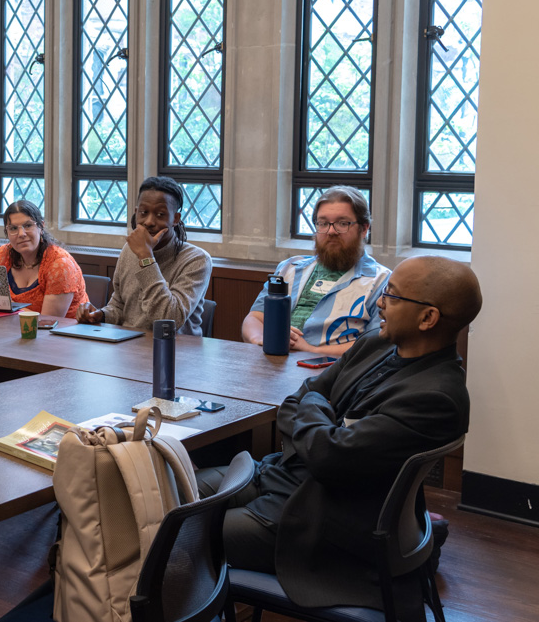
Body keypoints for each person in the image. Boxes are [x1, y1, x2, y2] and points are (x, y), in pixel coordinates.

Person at [199, 256, 481, 618]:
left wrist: (317, 408)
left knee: (176, 533)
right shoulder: (374, 346)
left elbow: (327, 455)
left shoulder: (436, 398)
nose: (379, 302)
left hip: (320, 523)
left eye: (392, 297)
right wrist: (322, 415)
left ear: (428, 318)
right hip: (280, 476)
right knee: (170, 492)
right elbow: (295, 401)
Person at [241, 185, 390, 356]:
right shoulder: (290, 267)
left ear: (364, 229)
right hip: (271, 363)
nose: (331, 231)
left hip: (330, 372)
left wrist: (311, 350)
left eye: (342, 223)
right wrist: (260, 339)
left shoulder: (381, 281)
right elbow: (254, 319)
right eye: (323, 223)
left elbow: (376, 344)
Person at [76, 176, 211, 334]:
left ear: (175, 218)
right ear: (136, 213)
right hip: (128, 346)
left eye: (160, 214)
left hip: (174, 351)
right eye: (143, 212)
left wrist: (146, 258)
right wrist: (101, 315)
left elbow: (168, 320)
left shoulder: (197, 260)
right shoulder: (129, 250)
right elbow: (119, 306)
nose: (149, 221)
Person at [0, 200, 88, 319]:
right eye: (13, 228)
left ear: (41, 227)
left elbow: (47, 322)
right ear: (7, 233)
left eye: (28, 225)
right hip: (12, 329)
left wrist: (8, 307)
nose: (21, 234)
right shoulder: (2, 256)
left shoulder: (60, 265)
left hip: (64, 334)